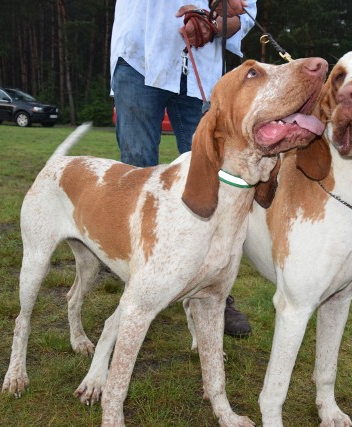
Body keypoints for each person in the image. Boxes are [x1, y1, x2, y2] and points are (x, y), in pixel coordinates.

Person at [110, 0, 257, 337]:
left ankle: (214, 292)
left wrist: (214, 23)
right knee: (136, 172)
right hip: (140, 57)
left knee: (217, 178)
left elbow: (244, 15)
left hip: (201, 70)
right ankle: (138, 284)